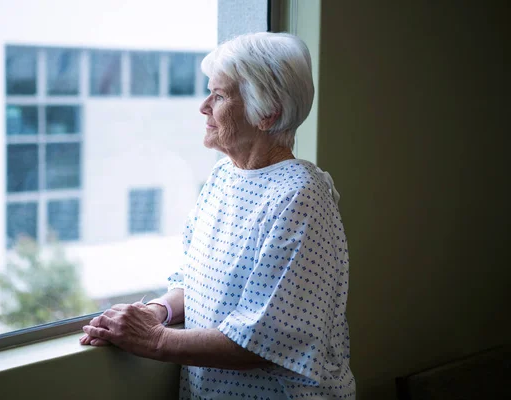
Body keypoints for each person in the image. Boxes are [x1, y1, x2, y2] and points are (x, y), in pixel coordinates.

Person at [80, 32, 356, 399]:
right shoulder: (222, 176)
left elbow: (263, 341)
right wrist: (157, 312)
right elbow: (193, 280)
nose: (204, 106)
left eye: (220, 95)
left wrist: (153, 339)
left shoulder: (301, 197)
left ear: (267, 112)